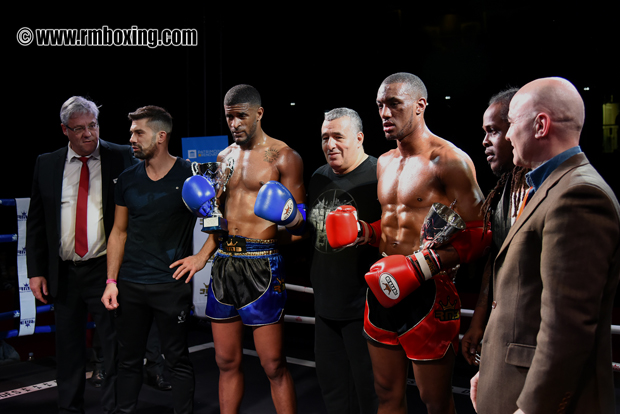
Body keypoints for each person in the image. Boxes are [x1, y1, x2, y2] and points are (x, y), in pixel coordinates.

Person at [327, 72, 491, 414]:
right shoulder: (384, 162)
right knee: (385, 394)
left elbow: (481, 233)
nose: (385, 113)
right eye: (380, 106)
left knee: (435, 401)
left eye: (393, 105)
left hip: (429, 293)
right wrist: (363, 232)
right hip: (382, 287)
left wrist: (422, 265)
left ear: (419, 107)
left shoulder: (449, 160)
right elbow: (392, 226)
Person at [470, 77, 620, 414]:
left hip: (539, 400)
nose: (507, 135)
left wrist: (533, 408)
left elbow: (567, 329)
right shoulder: (550, 187)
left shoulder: (579, 195)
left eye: (511, 124)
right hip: (514, 382)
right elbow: (522, 303)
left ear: (541, 125)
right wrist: (491, 368)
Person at [182, 84, 304, 414]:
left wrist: (289, 219)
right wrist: (202, 254)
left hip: (262, 264)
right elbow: (217, 220)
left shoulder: (284, 156)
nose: (234, 123)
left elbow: (300, 227)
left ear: (259, 114)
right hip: (224, 265)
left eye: (241, 116)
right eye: (229, 117)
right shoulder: (224, 157)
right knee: (225, 361)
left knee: (273, 364)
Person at [26, 96, 137, 414]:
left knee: (115, 347)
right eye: (79, 129)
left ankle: (115, 409)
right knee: (69, 349)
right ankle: (69, 408)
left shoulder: (122, 157)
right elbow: (36, 222)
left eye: (93, 125)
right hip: (64, 271)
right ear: (65, 130)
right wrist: (35, 271)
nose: (89, 134)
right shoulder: (46, 163)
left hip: (107, 269)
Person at [101, 105, 209, 414]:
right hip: (131, 285)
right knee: (128, 360)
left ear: (161, 136)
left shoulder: (190, 175)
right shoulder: (126, 179)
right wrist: (111, 281)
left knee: (176, 359)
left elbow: (217, 223)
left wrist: (200, 258)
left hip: (170, 285)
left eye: (138, 132)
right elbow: (118, 233)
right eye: (131, 132)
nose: (131, 138)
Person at [307, 108, 380, 413]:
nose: (330, 144)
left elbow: (403, 230)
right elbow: (313, 233)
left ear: (359, 138)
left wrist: (368, 231)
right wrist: (289, 219)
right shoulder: (318, 177)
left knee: (370, 391)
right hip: (325, 301)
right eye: (325, 137)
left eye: (338, 136)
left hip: (365, 305)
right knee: (332, 389)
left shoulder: (380, 173)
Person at [461, 88, 529, 365]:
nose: (485, 141)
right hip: (506, 334)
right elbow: (495, 261)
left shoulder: (552, 192)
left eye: (493, 131)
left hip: (537, 340)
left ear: (516, 129)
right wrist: (479, 320)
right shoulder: (504, 194)